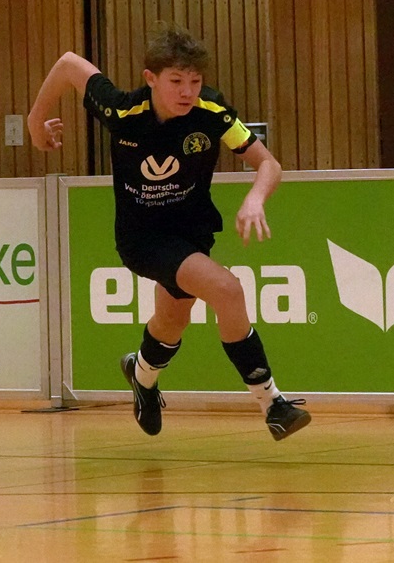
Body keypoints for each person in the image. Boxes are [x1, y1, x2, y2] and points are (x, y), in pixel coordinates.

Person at [27, 23, 310, 441]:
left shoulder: (212, 112)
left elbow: (268, 164)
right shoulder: (123, 112)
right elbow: (69, 64)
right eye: (176, 81)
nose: (187, 91)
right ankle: (273, 404)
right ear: (151, 78)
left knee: (172, 319)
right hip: (143, 239)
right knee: (228, 290)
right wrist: (36, 121)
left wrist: (255, 198)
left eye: (194, 81)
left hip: (192, 233)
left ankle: (141, 375)